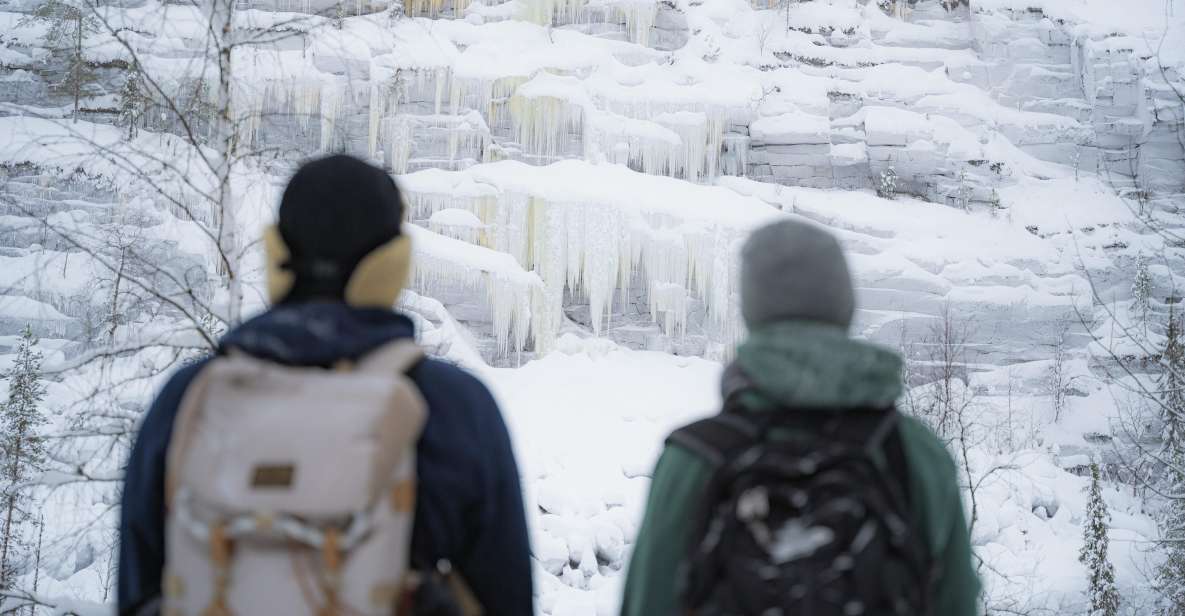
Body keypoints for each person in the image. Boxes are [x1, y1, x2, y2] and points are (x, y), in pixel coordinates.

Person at [118, 155, 533, 616]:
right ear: (394, 262)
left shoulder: (188, 398)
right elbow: (507, 597)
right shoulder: (452, 407)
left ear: (275, 253)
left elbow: (139, 590)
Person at [621, 219, 980, 615]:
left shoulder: (695, 458)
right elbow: (956, 602)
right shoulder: (914, 452)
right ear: (844, 306)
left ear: (751, 310)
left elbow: (647, 604)